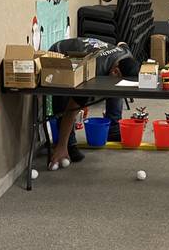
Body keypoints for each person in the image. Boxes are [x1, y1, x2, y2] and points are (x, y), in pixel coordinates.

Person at [48, 37, 140, 166]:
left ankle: (113, 130)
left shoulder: (126, 55)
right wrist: (61, 145)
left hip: (87, 52)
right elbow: (72, 108)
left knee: (116, 88)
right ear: (115, 70)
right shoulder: (94, 71)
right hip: (60, 53)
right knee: (63, 93)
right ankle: (67, 144)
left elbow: (122, 43)